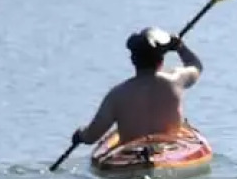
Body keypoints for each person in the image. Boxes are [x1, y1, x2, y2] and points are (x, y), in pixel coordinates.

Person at [71, 28, 203, 149]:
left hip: (131, 153)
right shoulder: (176, 80)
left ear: (133, 60)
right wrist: (180, 47)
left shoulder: (117, 94)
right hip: (169, 148)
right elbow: (196, 66)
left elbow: (91, 136)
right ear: (161, 59)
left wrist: (80, 135)